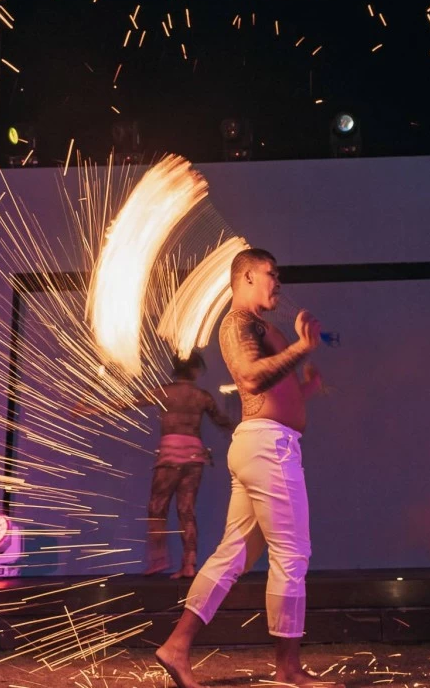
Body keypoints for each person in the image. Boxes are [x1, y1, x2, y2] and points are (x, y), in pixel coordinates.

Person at [155, 247, 330, 688]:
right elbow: (251, 378)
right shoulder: (238, 323)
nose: (278, 283)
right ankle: (288, 669)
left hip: (264, 445)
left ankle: (176, 647)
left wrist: (303, 388)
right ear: (247, 276)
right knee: (292, 554)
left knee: (233, 555)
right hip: (268, 448)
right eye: (271, 274)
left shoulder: (260, 327)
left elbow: (267, 396)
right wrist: (303, 349)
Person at [145, 352, 234, 578]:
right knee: (187, 509)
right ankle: (189, 564)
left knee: (157, 508)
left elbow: (126, 402)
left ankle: (158, 560)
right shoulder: (202, 396)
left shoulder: (164, 391)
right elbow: (222, 421)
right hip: (195, 456)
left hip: (170, 454)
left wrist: (91, 408)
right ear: (195, 370)